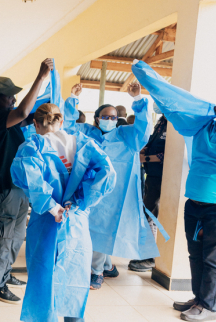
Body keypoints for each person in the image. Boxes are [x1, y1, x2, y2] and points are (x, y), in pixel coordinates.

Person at [133, 60, 216, 322]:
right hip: (195, 202)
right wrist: (150, 81)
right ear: (215, 108)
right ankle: (198, 298)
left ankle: (209, 307)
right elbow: (174, 102)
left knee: (215, 258)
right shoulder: (202, 127)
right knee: (195, 253)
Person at [11, 103, 116, 322]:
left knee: (43, 285)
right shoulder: (84, 144)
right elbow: (108, 174)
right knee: (73, 283)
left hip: (46, 224)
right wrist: (79, 201)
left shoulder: (32, 147)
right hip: (76, 222)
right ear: (61, 121)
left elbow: (30, 181)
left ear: (36, 124)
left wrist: (52, 206)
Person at [63, 82, 166, 291]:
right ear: (97, 118)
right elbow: (67, 125)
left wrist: (137, 99)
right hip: (89, 191)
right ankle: (108, 266)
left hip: (116, 194)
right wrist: (73, 99)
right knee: (94, 229)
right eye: (105, 116)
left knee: (101, 229)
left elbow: (144, 128)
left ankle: (96, 272)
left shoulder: (126, 136)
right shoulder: (86, 132)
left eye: (113, 117)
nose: (110, 120)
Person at [0, 58, 55, 303]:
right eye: (9, 96)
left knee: (17, 235)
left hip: (19, 187)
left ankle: (7, 273)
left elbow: (30, 114)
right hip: (2, 187)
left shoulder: (9, 121)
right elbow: (23, 112)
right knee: (3, 236)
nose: (13, 99)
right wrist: (41, 77)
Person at [128, 104, 167, 272]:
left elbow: (171, 153)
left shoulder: (174, 124)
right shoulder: (162, 122)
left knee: (150, 215)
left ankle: (150, 257)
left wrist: (145, 158)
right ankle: (146, 255)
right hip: (153, 176)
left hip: (163, 178)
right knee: (148, 214)